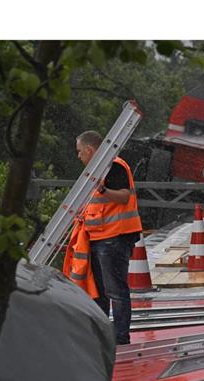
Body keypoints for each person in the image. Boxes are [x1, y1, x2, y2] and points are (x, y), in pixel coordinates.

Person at [75, 130, 142, 344]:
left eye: (79, 152)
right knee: (101, 290)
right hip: (100, 237)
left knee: (115, 290)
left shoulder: (113, 166)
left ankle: (120, 336)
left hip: (114, 238)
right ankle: (103, 334)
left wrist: (103, 190)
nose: (78, 157)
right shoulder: (97, 172)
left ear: (89, 149)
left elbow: (123, 196)